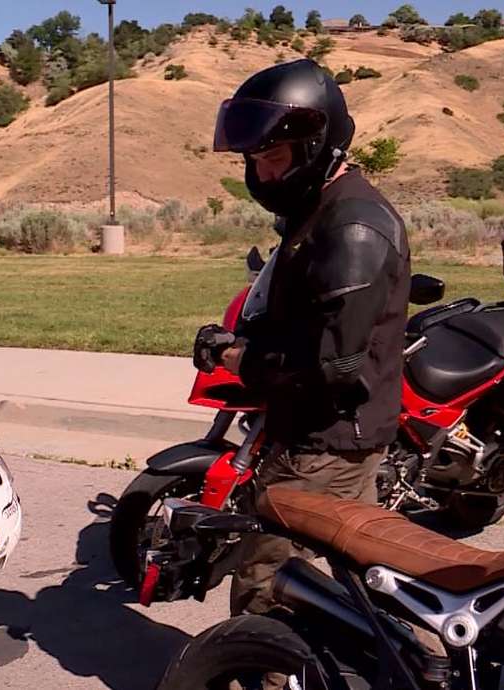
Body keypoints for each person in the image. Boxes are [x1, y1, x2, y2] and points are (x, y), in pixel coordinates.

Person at [197, 58, 411, 616]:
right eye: (254, 160)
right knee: (349, 575)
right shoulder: (317, 210)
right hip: (323, 432)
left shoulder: (352, 228)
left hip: (327, 442)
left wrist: (238, 357)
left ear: (316, 148)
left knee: (265, 588)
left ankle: (264, 671)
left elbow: (331, 366)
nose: (262, 174)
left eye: (273, 159)